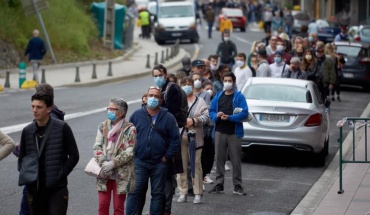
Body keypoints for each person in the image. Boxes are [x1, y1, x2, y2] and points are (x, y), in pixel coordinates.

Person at [18, 87, 79, 215]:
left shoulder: (62, 128)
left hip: (56, 189)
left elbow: (74, 155)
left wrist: (61, 174)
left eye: (39, 107)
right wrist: (27, 175)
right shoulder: (27, 131)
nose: (35, 110)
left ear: (49, 108)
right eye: (33, 106)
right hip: (34, 189)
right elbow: (22, 157)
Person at [126, 87, 181, 215]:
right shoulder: (136, 115)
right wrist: (134, 154)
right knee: (134, 191)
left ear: (161, 100)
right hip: (140, 161)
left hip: (159, 163)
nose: (153, 99)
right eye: (151, 95)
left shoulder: (168, 117)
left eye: (156, 96)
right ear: (146, 98)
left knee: (157, 194)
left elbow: (175, 140)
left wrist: (166, 157)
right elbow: (128, 137)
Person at [94, 98, 136, 215]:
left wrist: (113, 163)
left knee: (118, 207)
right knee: (103, 205)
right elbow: (97, 147)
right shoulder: (103, 126)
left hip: (121, 174)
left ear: (121, 112)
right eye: (108, 108)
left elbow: (129, 151)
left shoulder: (130, 129)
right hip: (104, 172)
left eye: (112, 109)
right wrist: (103, 163)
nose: (109, 111)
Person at [208, 72, 248, 195]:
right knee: (219, 159)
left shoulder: (239, 97)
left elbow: (245, 112)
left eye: (229, 81)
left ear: (234, 82)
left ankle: (237, 185)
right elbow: (211, 111)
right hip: (220, 131)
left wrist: (230, 117)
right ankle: (219, 184)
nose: (227, 83)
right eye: (225, 80)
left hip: (234, 132)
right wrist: (217, 116)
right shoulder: (218, 96)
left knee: (235, 160)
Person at [177, 77, 209, 204]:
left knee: (196, 165)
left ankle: (197, 192)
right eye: (183, 84)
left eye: (188, 84)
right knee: (181, 166)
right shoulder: (178, 101)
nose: (186, 86)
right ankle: (183, 192)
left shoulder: (200, 101)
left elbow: (206, 117)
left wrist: (194, 121)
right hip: (180, 137)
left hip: (195, 137)